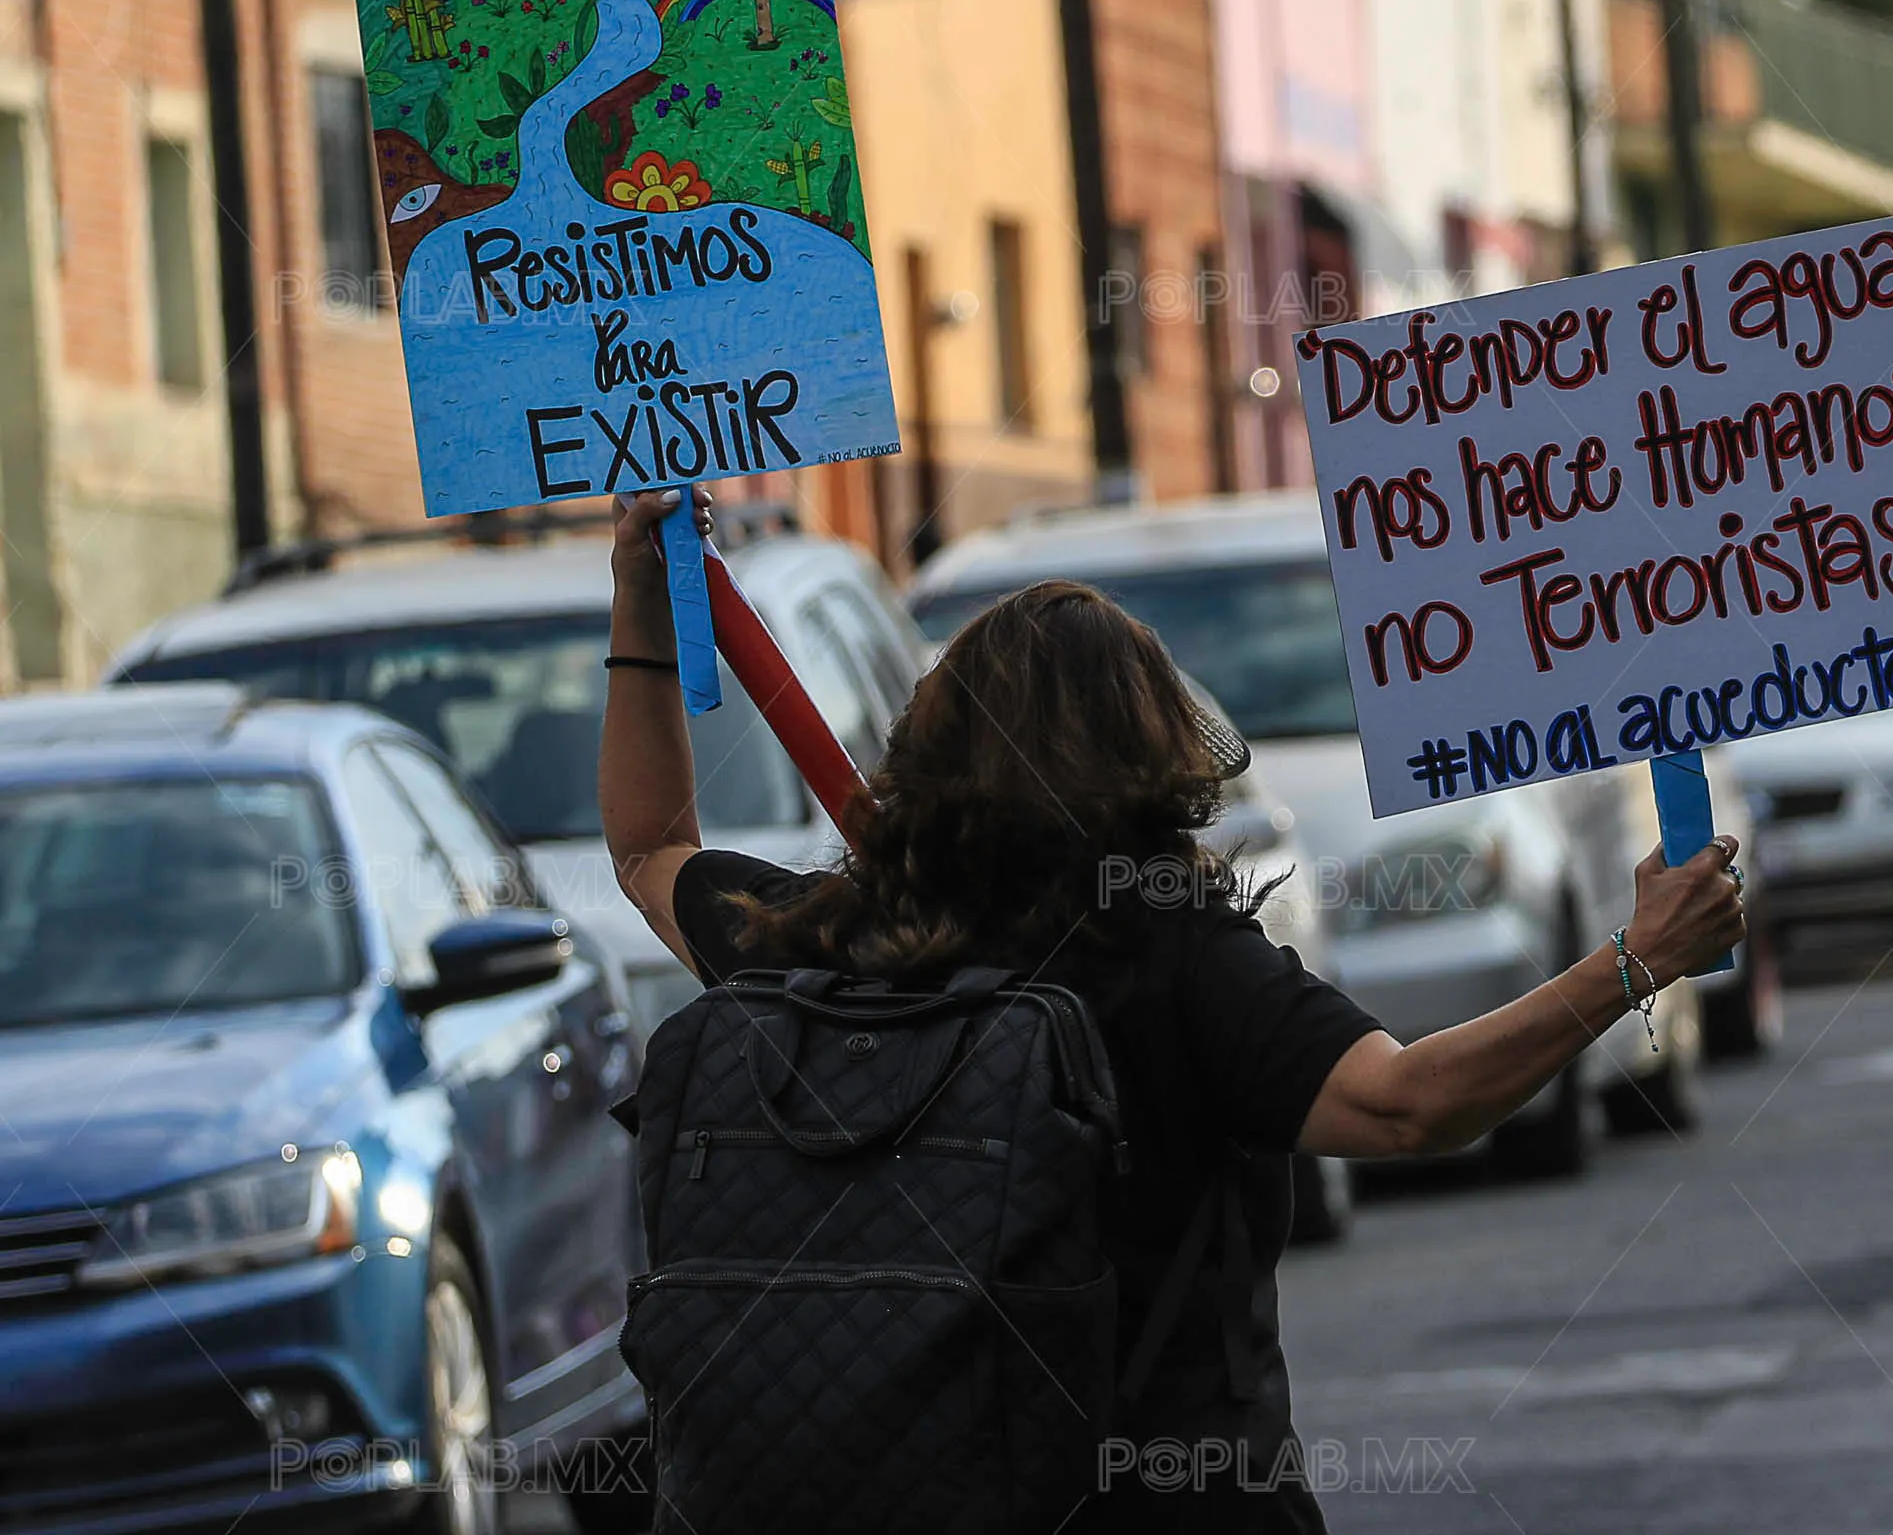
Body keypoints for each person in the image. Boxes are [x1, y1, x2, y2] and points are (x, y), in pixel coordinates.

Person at [596, 493, 1747, 1532]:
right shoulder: (1173, 956)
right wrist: (1632, 961)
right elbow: (1408, 1108)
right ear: (1154, 753)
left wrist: (638, 599)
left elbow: (650, 845)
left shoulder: (820, 938)